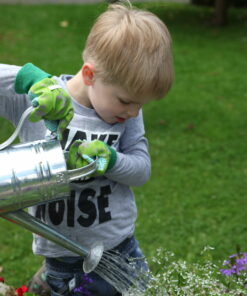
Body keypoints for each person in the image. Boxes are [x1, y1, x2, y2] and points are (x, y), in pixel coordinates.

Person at [0, 2, 173, 295]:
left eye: (140, 104)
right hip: (61, 262)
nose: (133, 112)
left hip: (120, 250)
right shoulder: (41, 100)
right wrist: (29, 78)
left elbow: (142, 170)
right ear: (90, 75)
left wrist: (113, 160)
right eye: (126, 101)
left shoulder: (127, 114)